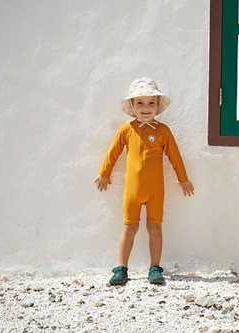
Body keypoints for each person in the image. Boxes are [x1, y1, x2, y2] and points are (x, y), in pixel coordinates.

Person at [95, 77, 194, 285]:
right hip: (132, 191)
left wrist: (183, 179)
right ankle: (121, 268)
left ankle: (155, 267)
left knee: (154, 227)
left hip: (156, 191)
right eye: (140, 103)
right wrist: (105, 173)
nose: (146, 108)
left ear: (157, 106)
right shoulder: (127, 130)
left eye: (151, 103)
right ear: (132, 106)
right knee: (129, 228)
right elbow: (113, 152)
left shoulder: (163, 131)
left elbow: (175, 157)